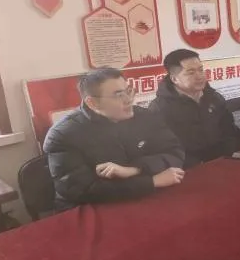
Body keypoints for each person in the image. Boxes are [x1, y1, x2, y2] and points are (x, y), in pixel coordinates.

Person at [44, 67, 185, 212]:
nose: (128, 100)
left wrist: (135, 169)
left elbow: (174, 152)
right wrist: (151, 182)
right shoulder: (63, 135)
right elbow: (82, 190)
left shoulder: (144, 116)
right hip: (90, 209)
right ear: (92, 103)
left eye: (128, 91)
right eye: (119, 95)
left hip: (140, 199)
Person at [149, 49, 240, 168]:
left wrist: (227, 155)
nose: (199, 76)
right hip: (188, 169)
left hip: (223, 160)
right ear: (174, 79)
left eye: (200, 70)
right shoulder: (160, 108)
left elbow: (229, 131)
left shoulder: (214, 98)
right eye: (191, 72)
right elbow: (165, 149)